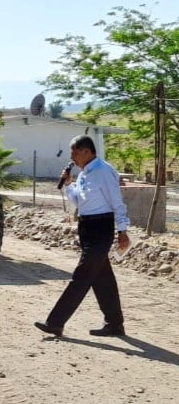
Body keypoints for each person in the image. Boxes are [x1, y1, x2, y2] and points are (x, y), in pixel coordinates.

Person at [36, 135, 130, 338]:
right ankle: (114, 324)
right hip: (86, 227)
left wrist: (123, 230)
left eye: (75, 153)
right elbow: (78, 200)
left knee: (82, 276)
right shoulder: (84, 174)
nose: (73, 158)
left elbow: (117, 202)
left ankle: (55, 322)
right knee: (102, 278)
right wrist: (68, 184)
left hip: (101, 227)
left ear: (87, 151)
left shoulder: (104, 171)